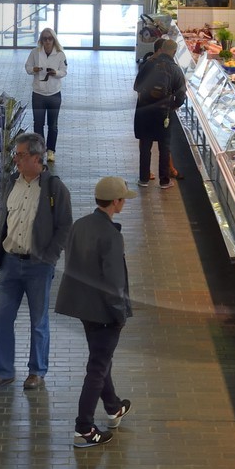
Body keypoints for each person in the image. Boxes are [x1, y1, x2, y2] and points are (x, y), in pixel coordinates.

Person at [0, 133, 73, 392]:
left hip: (38, 266)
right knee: (1, 318)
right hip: (10, 263)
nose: (16, 160)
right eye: (15, 155)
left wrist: (49, 256)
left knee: (38, 321)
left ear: (37, 158)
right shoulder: (12, 183)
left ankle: (36, 372)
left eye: (21, 155)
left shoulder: (55, 188)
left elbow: (65, 226)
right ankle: (3, 371)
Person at [54, 176, 136, 448]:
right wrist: (120, 314)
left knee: (101, 358)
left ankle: (112, 407)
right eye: (123, 198)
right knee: (97, 367)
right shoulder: (111, 235)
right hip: (104, 313)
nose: (124, 202)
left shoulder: (80, 225)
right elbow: (114, 283)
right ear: (115, 202)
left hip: (84, 308)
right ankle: (84, 429)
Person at [133, 38, 186, 188]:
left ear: (161, 49)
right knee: (164, 146)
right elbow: (181, 95)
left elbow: (137, 86)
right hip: (163, 113)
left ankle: (143, 179)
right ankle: (164, 181)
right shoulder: (175, 69)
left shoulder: (149, 64)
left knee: (145, 144)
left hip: (144, 111)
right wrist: (173, 106)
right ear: (174, 52)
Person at [24, 28, 68, 162]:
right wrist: (33, 70)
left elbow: (64, 71)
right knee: (38, 124)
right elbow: (27, 67)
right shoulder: (35, 53)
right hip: (38, 94)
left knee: (53, 124)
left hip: (54, 94)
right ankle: (39, 150)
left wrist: (56, 73)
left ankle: (51, 151)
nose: (47, 41)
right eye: (45, 38)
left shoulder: (60, 54)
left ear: (54, 40)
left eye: (50, 38)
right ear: (41, 40)